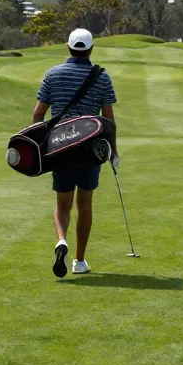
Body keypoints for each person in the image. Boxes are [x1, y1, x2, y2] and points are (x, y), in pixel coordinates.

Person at [33, 28, 119, 277]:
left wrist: (44, 143)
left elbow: (38, 114)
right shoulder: (101, 77)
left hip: (60, 147)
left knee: (62, 205)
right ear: (90, 49)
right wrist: (113, 151)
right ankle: (79, 261)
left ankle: (61, 240)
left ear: (68, 47)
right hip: (90, 148)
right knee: (85, 203)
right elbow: (108, 120)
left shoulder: (53, 74)